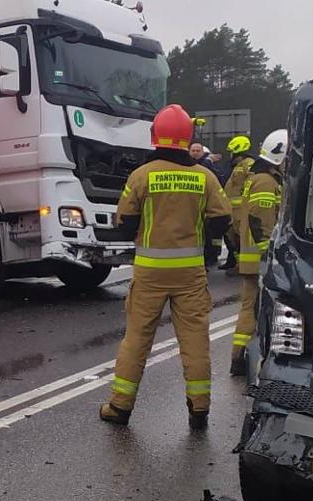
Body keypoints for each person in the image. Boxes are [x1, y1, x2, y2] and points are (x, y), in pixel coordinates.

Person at [99, 104, 232, 429]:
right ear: (188, 139)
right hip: (189, 274)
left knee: (137, 338)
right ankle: (199, 408)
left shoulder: (141, 176)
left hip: (149, 273)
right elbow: (222, 220)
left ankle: (120, 407)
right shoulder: (205, 177)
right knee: (195, 339)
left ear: (155, 136)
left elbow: (124, 224)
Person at [230, 130, 286, 376]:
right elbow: (260, 219)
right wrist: (267, 255)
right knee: (256, 308)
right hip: (259, 258)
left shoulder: (263, 177)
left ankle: (241, 357)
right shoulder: (265, 180)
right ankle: (245, 359)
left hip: (253, 256)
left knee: (250, 307)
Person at [221, 134, 254, 271]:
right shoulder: (238, 165)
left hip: (241, 210)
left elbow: (252, 184)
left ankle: (243, 267)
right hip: (233, 210)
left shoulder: (248, 164)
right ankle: (237, 264)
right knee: (233, 238)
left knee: (241, 239)